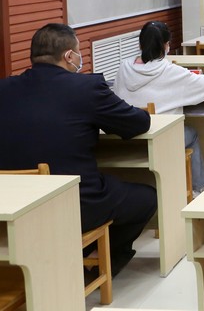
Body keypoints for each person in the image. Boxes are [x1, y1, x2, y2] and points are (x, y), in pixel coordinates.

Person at [0, 23, 155, 276]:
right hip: (75, 203)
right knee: (147, 197)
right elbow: (138, 123)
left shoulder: (4, 88)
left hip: (14, 204)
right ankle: (99, 264)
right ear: (69, 56)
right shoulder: (86, 88)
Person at [113, 21, 204, 194]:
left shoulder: (124, 68)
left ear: (140, 44)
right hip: (162, 138)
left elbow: (116, 95)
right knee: (192, 133)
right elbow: (203, 86)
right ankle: (199, 188)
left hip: (126, 137)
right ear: (166, 45)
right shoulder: (171, 71)